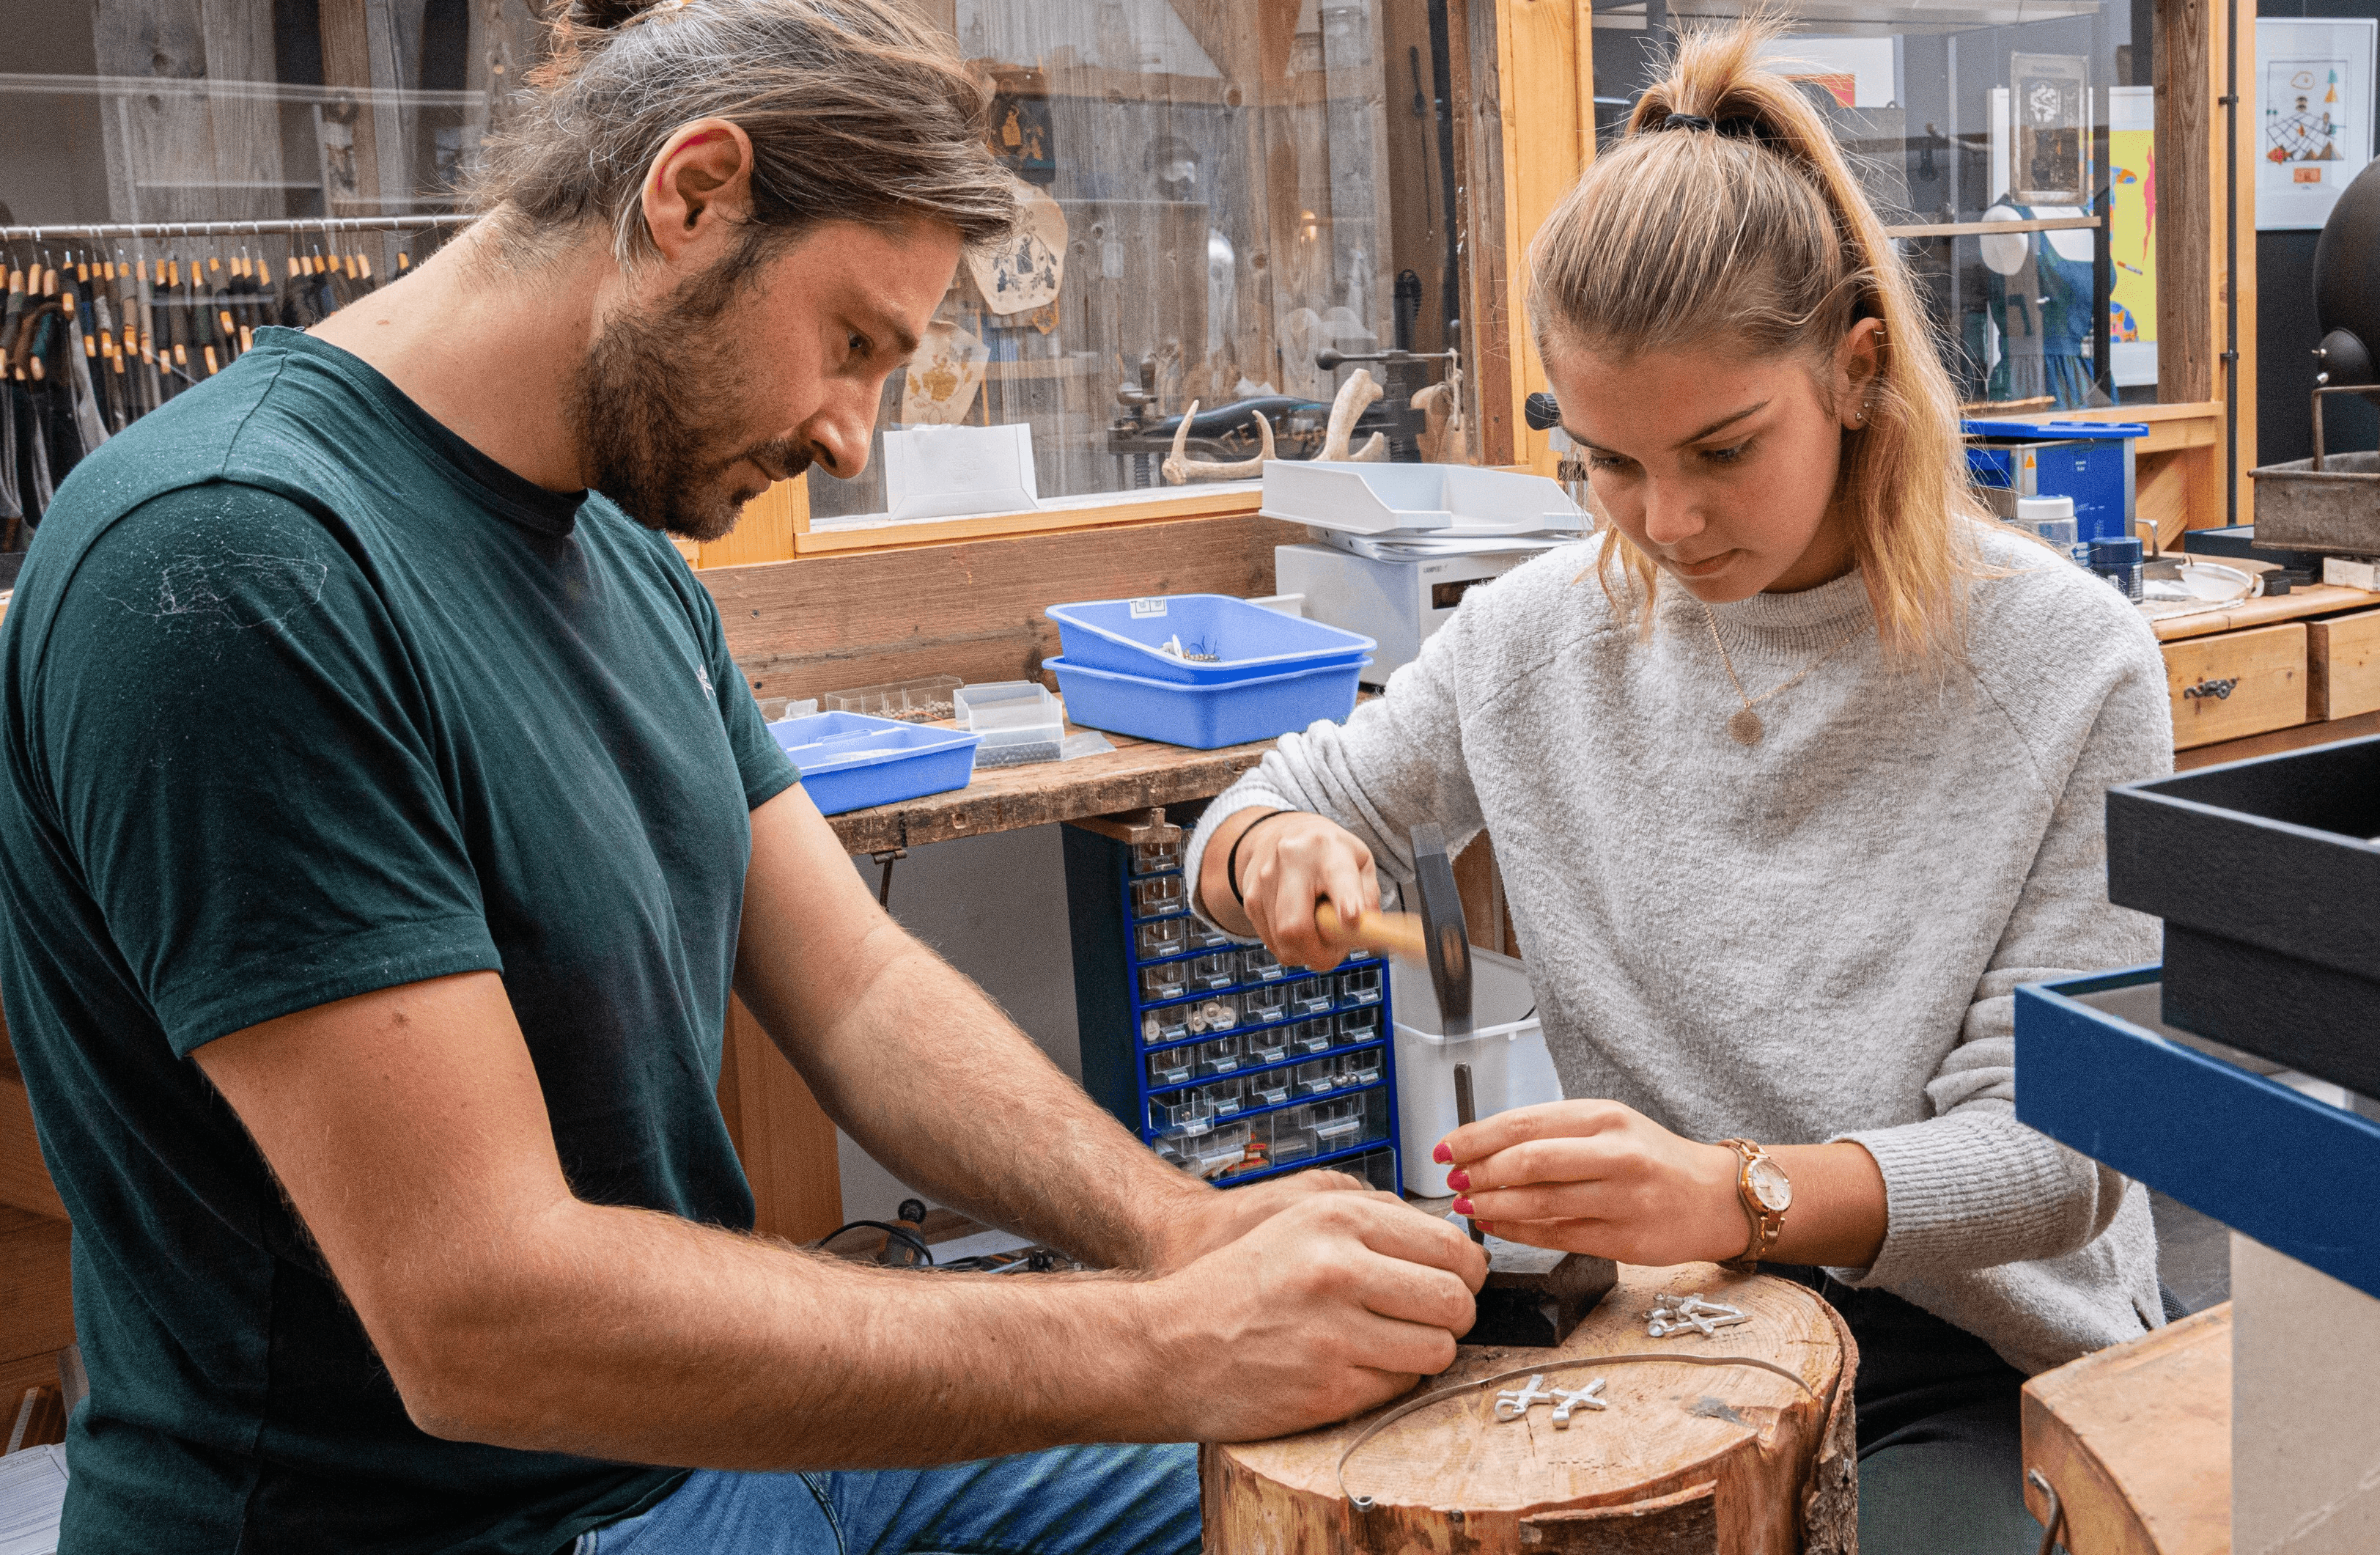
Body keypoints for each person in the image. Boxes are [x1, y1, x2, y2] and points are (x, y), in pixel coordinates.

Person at [0, 3, 1485, 1552]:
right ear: (692, 194)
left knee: (1367, 1504)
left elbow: (860, 999)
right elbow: (477, 1313)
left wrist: (1181, 1233)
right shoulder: (234, 565)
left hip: (711, 1459)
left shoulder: (626, 566)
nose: (853, 438)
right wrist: (1163, 1347)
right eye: (852, 344)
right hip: (452, 1525)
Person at [1189, 23, 2170, 1553]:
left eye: (1723, 449)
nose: (1667, 521)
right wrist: (1270, 849)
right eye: (1606, 464)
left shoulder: (2071, 666)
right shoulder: (1529, 638)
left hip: (1964, 1354)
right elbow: (1271, 798)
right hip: (1662, 1323)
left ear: (1854, 367)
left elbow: (2060, 1161)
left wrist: (1735, 1192)